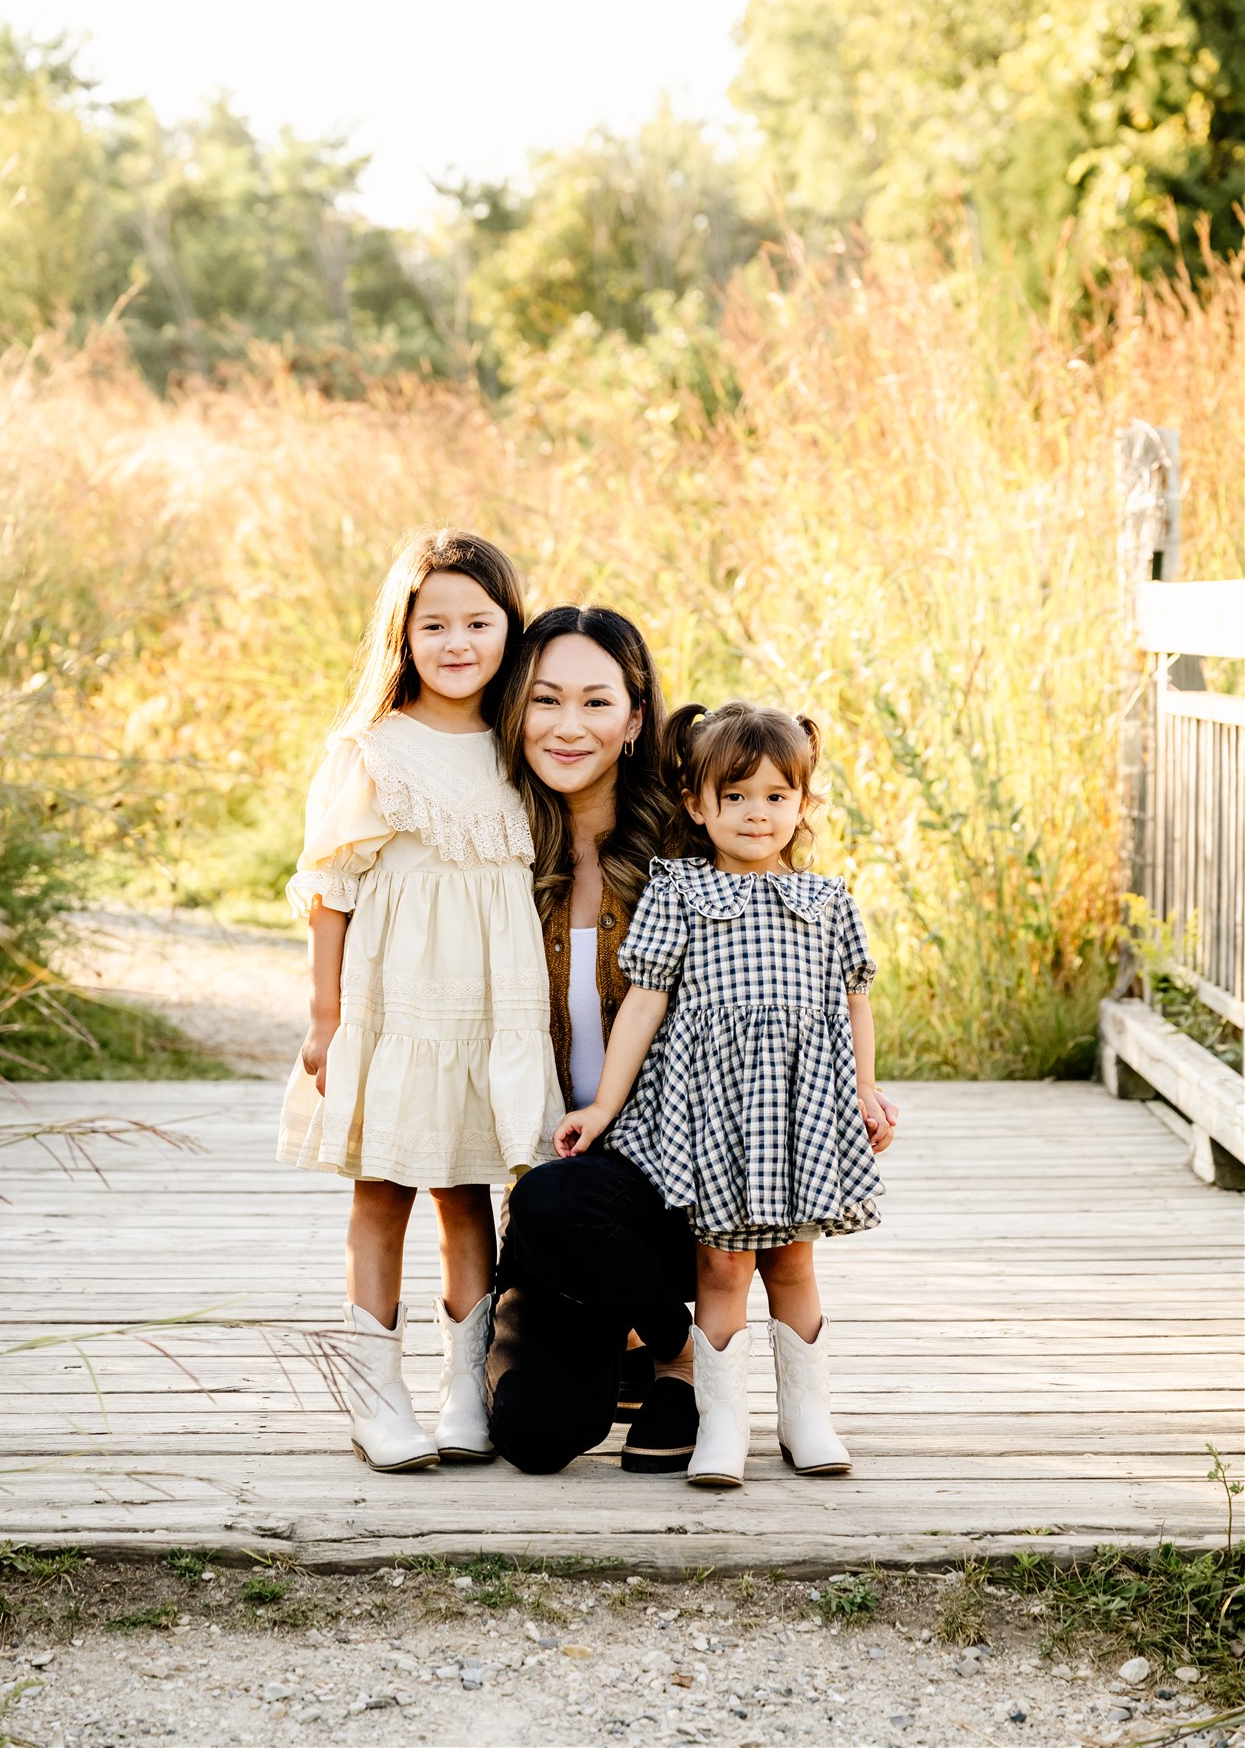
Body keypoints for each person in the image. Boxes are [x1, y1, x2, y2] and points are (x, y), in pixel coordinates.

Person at [555, 699, 897, 1489]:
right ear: (695, 804)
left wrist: (865, 1089)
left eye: (776, 797)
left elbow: (852, 1001)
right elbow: (642, 1001)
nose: (755, 813)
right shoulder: (680, 891)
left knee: (792, 1263)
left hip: (797, 1108)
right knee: (720, 1269)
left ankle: (807, 1418)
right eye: (735, 796)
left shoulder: (826, 902)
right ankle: (722, 1424)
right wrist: (604, 1105)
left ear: (803, 805)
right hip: (712, 1112)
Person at [276, 530, 561, 1473]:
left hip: (489, 1004)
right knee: (383, 1187)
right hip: (395, 1001)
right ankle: (374, 1396)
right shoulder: (371, 750)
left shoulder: (525, 742)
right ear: (402, 635)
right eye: (432, 623)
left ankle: (462, 1391)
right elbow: (331, 890)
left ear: (507, 629)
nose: (456, 642)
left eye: (477, 622)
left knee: (468, 1188)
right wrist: (326, 1017)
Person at [486, 605, 702, 1475]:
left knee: (555, 1196)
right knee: (536, 1437)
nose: (567, 727)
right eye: (543, 701)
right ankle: (613, 1330)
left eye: (595, 703)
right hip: (557, 1192)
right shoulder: (492, 845)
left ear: (635, 718)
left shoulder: (691, 850)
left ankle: (676, 1352)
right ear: (515, 713)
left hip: (668, 1182)